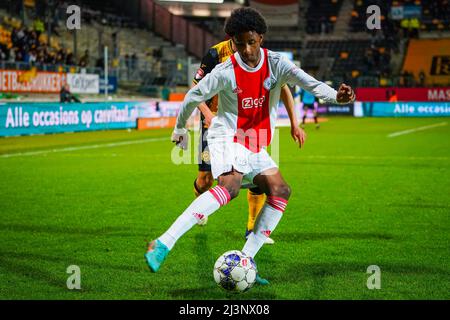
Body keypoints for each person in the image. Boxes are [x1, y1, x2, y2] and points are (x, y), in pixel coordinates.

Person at [145, 8, 355, 284]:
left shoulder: (277, 64)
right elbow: (193, 95)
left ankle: (246, 261)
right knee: (229, 187)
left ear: (261, 38)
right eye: (239, 43)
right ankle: (162, 243)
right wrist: (180, 128)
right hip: (226, 137)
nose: (246, 49)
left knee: (280, 191)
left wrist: (338, 97)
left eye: (251, 42)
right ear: (232, 42)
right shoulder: (225, 71)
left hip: (254, 142)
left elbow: (311, 84)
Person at [192, 36, 304, 246]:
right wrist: (207, 114)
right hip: (216, 123)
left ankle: (252, 227)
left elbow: (284, 89)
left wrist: (294, 123)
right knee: (206, 179)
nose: (246, 48)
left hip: (250, 123)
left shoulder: (261, 57)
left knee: (258, 179)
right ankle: (199, 203)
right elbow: (196, 88)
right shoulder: (215, 54)